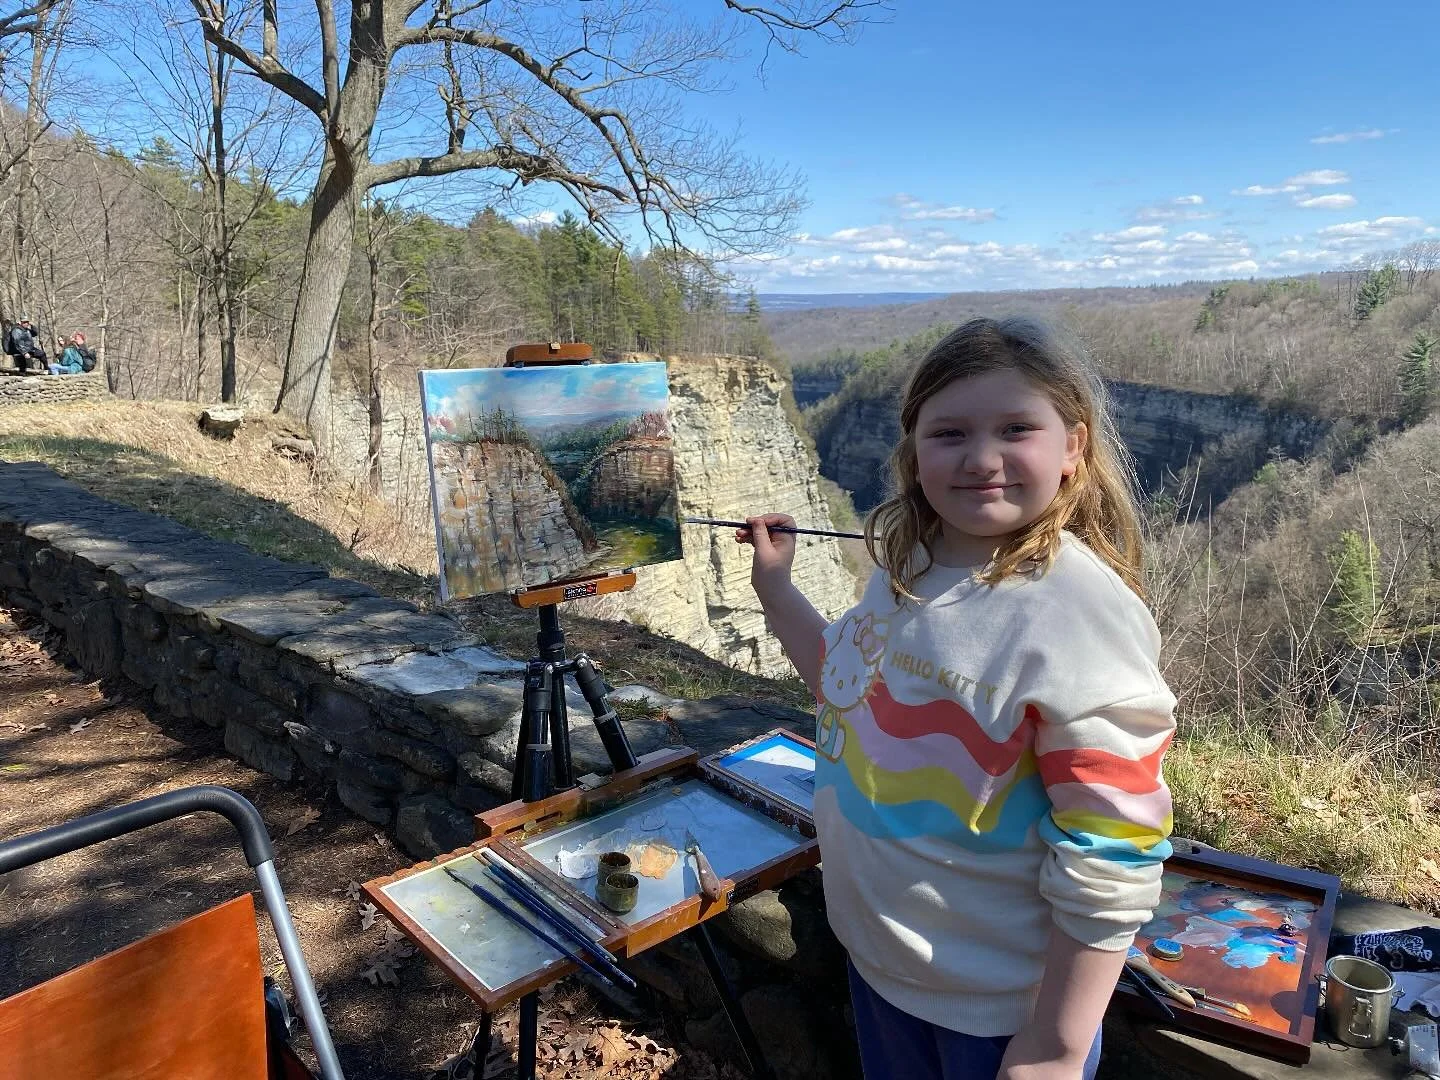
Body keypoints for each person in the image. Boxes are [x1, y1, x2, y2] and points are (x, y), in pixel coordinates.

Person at [738, 317, 1175, 1080]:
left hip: (1000, 1017)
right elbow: (846, 686)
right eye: (949, 434)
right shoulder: (910, 567)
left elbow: (1114, 848)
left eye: (1016, 429)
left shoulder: (1076, 614)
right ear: (914, 451)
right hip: (883, 969)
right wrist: (776, 588)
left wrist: (1058, 1044)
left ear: (1073, 446)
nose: (981, 459)